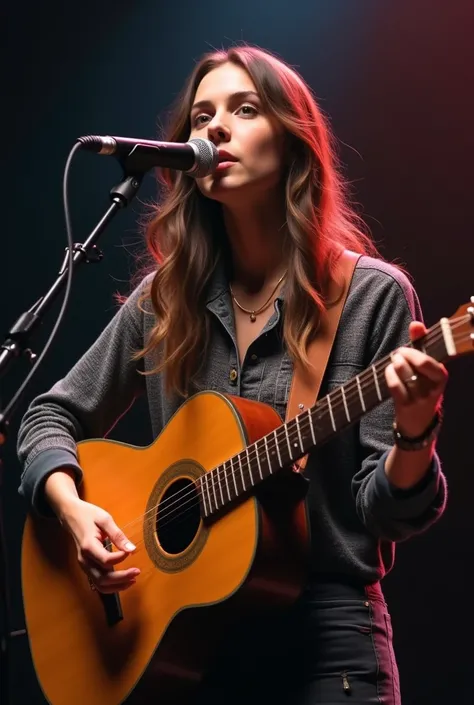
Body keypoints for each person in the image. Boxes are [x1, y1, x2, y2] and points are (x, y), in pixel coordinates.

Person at [17, 45, 447, 705]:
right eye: (201, 115)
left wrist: (414, 433)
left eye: (244, 110)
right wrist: (74, 511)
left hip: (326, 643)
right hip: (193, 651)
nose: (214, 129)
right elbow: (50, 414)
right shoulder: (165, 300)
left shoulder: (369, 296)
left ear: (294, 142)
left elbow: (383, 515)